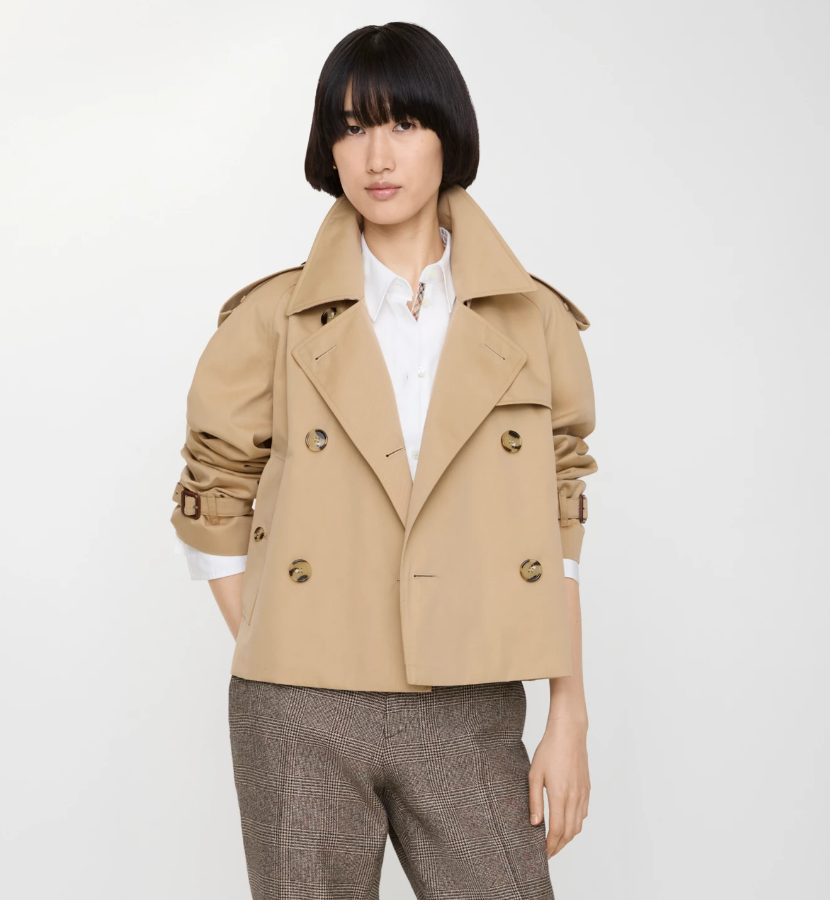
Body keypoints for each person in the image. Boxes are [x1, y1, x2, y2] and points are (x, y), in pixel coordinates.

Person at [170, 21, 597, 900]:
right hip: (298, 706)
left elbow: (554, 524)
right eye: (353, 126)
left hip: (469, 693)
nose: (377, 155)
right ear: (328, 147)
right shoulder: (273, 318)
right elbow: (212, 489)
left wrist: (569, 715)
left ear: (449, 135)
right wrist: (283, 638)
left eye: (404, 123)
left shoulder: (534, 320)